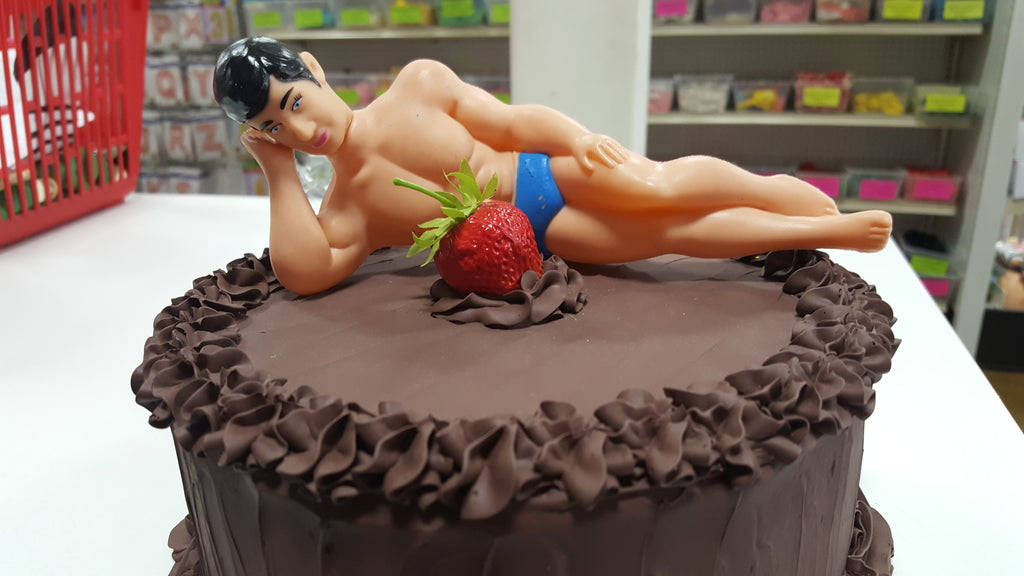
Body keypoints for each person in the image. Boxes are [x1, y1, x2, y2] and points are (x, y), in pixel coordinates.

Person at [214, 37, 893, 296]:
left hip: (545, 174)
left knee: (659, 186)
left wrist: (578, 136)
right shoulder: (348, 211)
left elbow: (510, 123)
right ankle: (819, 232)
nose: (301, 130)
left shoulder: (418, 84)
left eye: (294, 103)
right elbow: (306, 273)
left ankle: (771, 191)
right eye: (274, 127)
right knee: (671, 238)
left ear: (313, 71)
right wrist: (277, 169)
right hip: (545, 237)